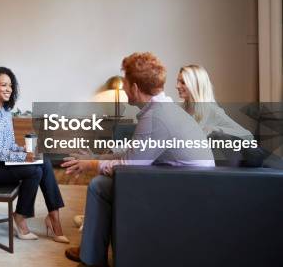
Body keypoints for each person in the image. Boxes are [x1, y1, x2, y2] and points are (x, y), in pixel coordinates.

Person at [62, 52, 215, 266]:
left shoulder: (157, 117)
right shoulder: (161, 110)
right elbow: (135, 154)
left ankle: (92, 257)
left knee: (99, 185)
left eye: (124, 83)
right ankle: (91, 252)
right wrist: (97, 157)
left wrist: (90, 164)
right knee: (103, 183)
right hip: (184, 182)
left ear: (134, 88)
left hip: (188, 192)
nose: (123, 88)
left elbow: (129, 166)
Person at [0, 67, 67, 242]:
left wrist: (24, 150)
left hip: (3, 161)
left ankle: (53, 216)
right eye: (4, 85)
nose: (9, 89)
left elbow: (9, 145)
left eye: (10, 85)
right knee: (35, 170)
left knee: (42, 160)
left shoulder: (6, 112)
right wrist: (24, 157)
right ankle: (21, 217)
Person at [177, 64, 253, 139]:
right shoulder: (178, 108)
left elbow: (248, 135)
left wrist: (214, 129)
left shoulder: (212, 110)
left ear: (196, 84)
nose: (177, 86)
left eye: (183, 82)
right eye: (178, 82)